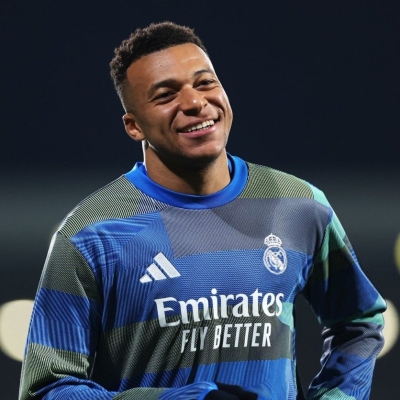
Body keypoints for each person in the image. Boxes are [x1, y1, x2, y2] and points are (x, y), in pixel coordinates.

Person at [19, 21, 386, 400]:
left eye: (205, 83)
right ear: (134, 126)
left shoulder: (300, 205)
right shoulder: (91, 233)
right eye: (165, 95)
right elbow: (47, 389)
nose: (195, 102)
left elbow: (358, 321)